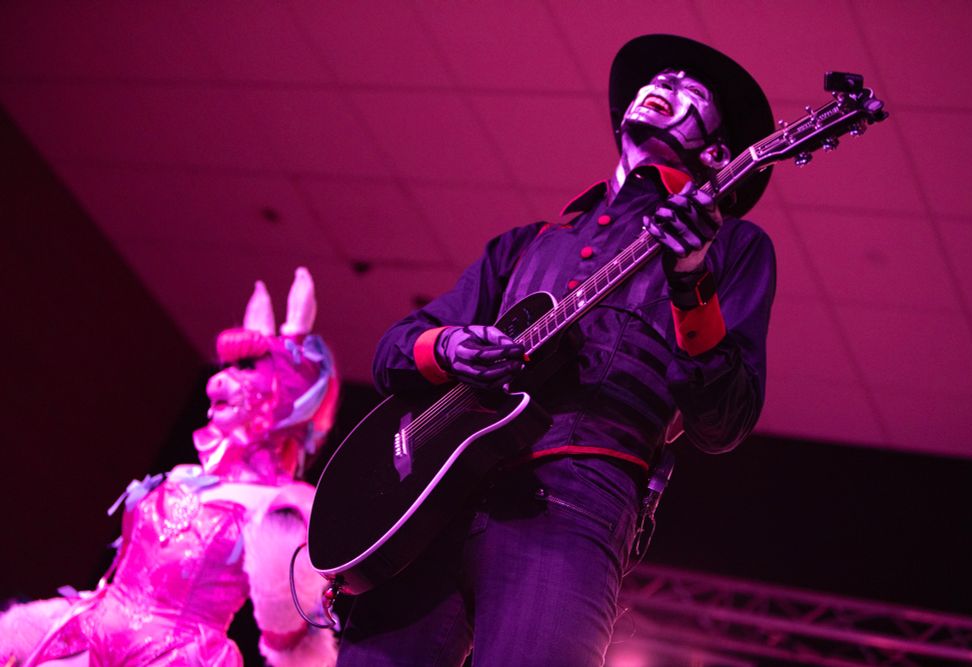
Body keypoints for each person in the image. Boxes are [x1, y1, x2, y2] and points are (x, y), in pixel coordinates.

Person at [336, 34, 777, 667]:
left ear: (717, 153)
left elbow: (724, 422)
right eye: (659, 78)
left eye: (690, 89)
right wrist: (452, 346)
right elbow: (393, 352)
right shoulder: (527, 243)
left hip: (575, 500)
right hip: (435, 500)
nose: (664, 82)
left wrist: (690, 278)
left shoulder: (735, 247)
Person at [0, 268, 339, 666]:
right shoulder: (183, 476)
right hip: (95, 631)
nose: (220, 381)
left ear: (286, 397)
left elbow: (284, 632)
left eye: (247, 370)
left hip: (174, 656)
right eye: (228, 368)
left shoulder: (281, 505)